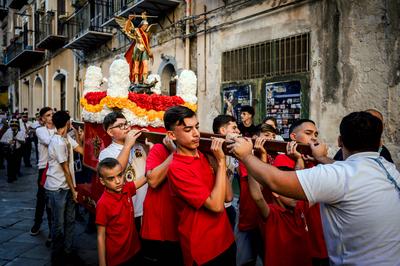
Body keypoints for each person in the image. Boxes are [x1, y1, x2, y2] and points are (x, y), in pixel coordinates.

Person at [228, 111, 400, 265]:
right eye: (308, 133)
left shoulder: (338, 174)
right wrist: (322, 158)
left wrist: (246, 155)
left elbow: (275, 181)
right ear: (380, 143)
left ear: (340, 141)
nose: (314, 138)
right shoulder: (389, 168)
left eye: (316, 134)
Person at [165, 106, 235, 266]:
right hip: (203, 250)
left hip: (225, 239)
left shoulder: (203, 155)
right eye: (188, 129)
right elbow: (217, 206)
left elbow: (228, 196)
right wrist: (221, 161)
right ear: (172, 135)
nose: (196, 134)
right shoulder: (177, 168)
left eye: (197, 127)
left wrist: (217, 163)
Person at [44, 110, 84, 265]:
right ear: (66, 123)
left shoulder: (66, 138)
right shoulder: (58, 142)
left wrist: (78, 135)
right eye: (70, 122)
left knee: (71, 220)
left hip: (66, 187)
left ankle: (68, 252)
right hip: (57, 188)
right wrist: (73, 190)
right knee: (59, 224)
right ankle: (57, 256)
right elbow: (65, 168)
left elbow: (81, 150)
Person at [98, 111, 148, 234]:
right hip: (126, 210)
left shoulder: (139, 146)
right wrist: (127, 146)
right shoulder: (106, 153)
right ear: (110, 132)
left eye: (126, 124)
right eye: (120, 126)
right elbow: (117, 169)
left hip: (145, 206)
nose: (126, 128)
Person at [140, 135, 183, 266]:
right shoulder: (159, 148)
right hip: (159, 224)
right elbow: (153, 181)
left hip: (180, 220)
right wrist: (174, 152)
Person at [96, 158, 146, 266]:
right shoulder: (103, 204)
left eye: (120, 175)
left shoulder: (126, 188)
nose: (118, 181)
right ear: (102, 181)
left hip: (135, 249)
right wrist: (102, 263)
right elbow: (101, 235)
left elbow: (146, 177)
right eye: (111, 179)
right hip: (117, 258)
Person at [30, 107, 55, 246]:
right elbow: (49, 142)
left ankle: (53, 230)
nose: (51, 117)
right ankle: (37, 223)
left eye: (53, 115)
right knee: (41, 198)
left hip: (56, 167)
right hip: (44, 168)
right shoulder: (40, 130)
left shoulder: (59, 129)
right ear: (43, 118)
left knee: (53, 201)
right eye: (48, 115)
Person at [212, 115, 239, 229]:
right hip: (215, 206)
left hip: (229, 205)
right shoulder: (211, 150)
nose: (238, 131)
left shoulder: (233, 150)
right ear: (223, 131)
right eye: (234, 128)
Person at [122, 13, 154, 84]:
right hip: (137, 48)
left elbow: (147, 44)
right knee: (136, 64)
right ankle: (136, 80)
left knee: (145, 64)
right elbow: (127, 30)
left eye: (147, 26)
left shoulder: (146, 34)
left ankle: (145, 79)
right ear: (142, 25)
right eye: (145, 25)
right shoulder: (137, 30)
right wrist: (129, 20)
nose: (146, 27)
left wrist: (150, 52)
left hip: (144, 50)